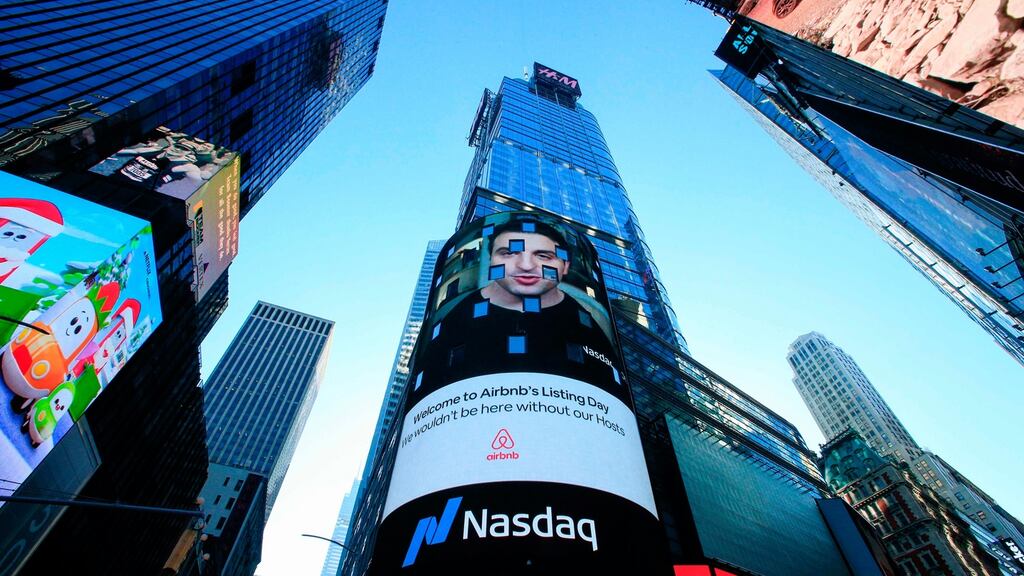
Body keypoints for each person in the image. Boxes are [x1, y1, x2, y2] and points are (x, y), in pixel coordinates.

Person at [410, 218, 624, 402]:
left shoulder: (586, 322)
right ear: (491, 260)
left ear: (565, 266)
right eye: (509, 253)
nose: (526, 265)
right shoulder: (456, 319)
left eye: (543, 256)